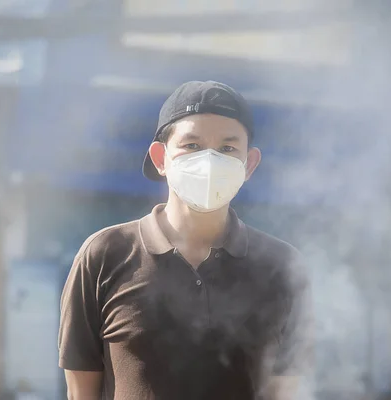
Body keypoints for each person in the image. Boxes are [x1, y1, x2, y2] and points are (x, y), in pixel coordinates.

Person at [59, 81, 314, 399]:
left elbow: (286, 392)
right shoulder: (104, 255)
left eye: (227, 148)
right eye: (192, 146)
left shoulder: (282, 267)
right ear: (160, 158)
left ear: (249, 164)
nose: (209, 162)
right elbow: (80, 392)